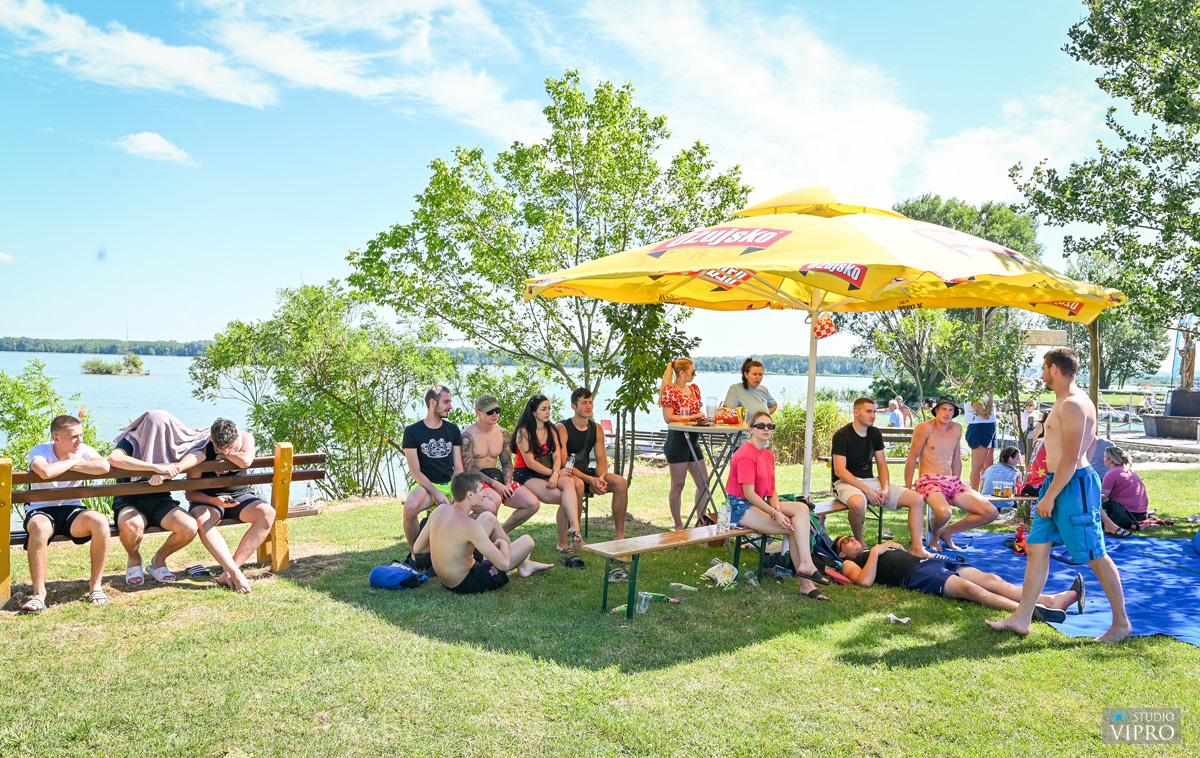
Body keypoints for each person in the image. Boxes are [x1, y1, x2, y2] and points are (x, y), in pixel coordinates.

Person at [987, 347, 1131, 643]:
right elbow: (1090, 445)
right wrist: (1050, 489)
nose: (1042, 374)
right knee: (1036, 547)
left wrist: (1050, 496)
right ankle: (1022, 618)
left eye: (1043, 368)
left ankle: (1121, 623)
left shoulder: (1073, 404)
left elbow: (1071, 457)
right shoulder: (1068, 401)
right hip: (1058, 482)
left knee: (1094, 554)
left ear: (1054, 368)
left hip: (1072, 485)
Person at [834, 536, 1083, 622]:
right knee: (970, 589)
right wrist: (877, 551)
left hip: (929, 563)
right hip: (915, 575)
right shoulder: (850, 563)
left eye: (851, 537)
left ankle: (1051, 600)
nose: (852, 539)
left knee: (992, 580)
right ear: (842, 553)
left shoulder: (877, 548)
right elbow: (864, 581)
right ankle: (1027, 612)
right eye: (845, 541)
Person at [726, 411, 829, 600]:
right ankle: (807, 583)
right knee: (793, 528)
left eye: (770, 426)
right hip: (740, 507)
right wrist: (775, 513)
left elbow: (771, 490)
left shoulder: (768, 455)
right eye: (761, 425)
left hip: (760, 503)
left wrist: (777, 509)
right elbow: (749, 493)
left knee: (802, 509)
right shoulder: (746, 454)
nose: (766, 429)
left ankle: (806, 565)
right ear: (751, 429)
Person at [22, 415, 112, 611]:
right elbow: (45, 472)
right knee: (39, 526)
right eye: (74, 437)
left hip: (72, 511)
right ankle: (39, 595)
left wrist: (72, 461)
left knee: (100, 520)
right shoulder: (40, 450)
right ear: (56, 438)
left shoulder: (82, 449)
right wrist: (76, 462)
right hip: (41, 511)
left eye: (81, 435)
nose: (79, 441)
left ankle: (95, 587)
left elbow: (104, 466)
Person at [108, 410, 206, 585]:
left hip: (161, 500)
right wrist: (155, 468)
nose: (157, 434)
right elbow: (115, 459)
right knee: (131, 525)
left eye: (163, 430)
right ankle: (134, 559)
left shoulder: (171, 442)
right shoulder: (130, 441)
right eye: (153, 428)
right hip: (129, 500)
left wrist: (174, 469)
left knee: (189, 527)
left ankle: (158, 560)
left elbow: (200, 453)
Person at [420, 471, 553, 594]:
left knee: (488, 517)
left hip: (449, 576)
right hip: (466, 582)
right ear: (470, 495)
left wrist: (448, 548)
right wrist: (502, 544)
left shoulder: (440, 510)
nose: (484, 494)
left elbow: (418, 548)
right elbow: (504, 564)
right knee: (527, 541)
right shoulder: (470, 525)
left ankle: (523, 564)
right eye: (481, 490)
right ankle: (521, 563)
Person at [830, 398, 930, 557]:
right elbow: (840, 470)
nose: (873, 415)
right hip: (845, 482)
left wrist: (885, 489)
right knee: (858, 503)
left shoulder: (875, 433)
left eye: (874, 412)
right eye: (868, 411)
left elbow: (882, 464)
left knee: (917, 499)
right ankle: (861, 544)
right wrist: (868, 492)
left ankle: (917, 548)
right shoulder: (842, 435)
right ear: (856, 412)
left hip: (870, 481)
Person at [184, 418, 274, 594]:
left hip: (239, 496)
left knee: (267, 513)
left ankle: (228, 572)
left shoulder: (246, 438)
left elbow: (246, 461)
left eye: (230, 447)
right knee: (203, 521)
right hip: (208, 499)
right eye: (220, 448)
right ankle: (235, 573)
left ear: (236, 436)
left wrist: (223, 456)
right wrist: (214, 501)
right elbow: (191, 493)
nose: (226, 451)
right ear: (212, 439)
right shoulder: (202, 449)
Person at [905, 398, 999, 551]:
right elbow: (911, 458)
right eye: (944, 409)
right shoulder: (924, 428)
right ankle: (935, 535)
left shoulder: (956, 428)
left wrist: (957, 482)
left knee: (991, 512)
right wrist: (908, 488)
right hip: (928, 481)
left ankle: (947, 532)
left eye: (951, 410)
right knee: (944, 513)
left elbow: (956, 460)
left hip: (951, 481)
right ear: (936, 410)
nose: (947, 413)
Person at [512, 394, 584, 552]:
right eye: (543, 409)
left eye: (549, 409)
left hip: (548, 471)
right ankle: (563, 542)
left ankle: (574, 527)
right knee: (565, 498)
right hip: (526, 474)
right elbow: (530, 463)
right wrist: (554, 472)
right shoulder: (524, 432)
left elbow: (557, 455)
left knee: (570, 483)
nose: (548, 412)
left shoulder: (550, 429)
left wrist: (556, 473)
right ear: (533, 412)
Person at [556, 388, 629, 540]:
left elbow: (602, 460)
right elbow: (563, 462)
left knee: (621, 483)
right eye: (584, 403)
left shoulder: (596, 429)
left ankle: (619, 536)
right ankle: (576, 537)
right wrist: (590, 480)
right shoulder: (562, 428)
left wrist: (600, 478)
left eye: (590, 402)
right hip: (568, 474)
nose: (588, 406)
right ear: (573, 406)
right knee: (578, 484)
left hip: (587, 474)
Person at [461, 394, 540, 534]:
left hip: (497, 476)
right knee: (494, 501)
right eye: (490, 411)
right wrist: (495, 484)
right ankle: (467, 533)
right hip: (476, 479)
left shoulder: (502, 433)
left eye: (497, 410)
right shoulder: (468, 435)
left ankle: (500, 533)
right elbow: (468, 470)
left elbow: (507, 462)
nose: (495, 414)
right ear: (478, 412)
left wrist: (507, 483)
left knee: (532, 504)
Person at [401, 385, 464, 551]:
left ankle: (468, 550)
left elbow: (458, 466)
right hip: (427, 487)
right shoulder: (412, 431)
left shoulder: (453, 429)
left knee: (487, 506)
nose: (450, 406)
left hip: (450, 485)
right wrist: (436, 493)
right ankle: (416, 554)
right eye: (446, 402)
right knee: (409, 508)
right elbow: (415, 472)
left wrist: (456, 489)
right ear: (432, 403)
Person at [661, 358, 710, 530]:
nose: (694, 375)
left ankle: (701, 522)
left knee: (704, 483)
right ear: (682, 373)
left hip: (693, 438)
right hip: (678, 439)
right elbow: (668, 417)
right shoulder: (670, 391)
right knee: (678, 484)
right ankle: (678, 525)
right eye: (692, 372)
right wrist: (691, 417)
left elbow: (696, 411)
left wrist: (700, 416)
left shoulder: (693, 389)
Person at [1100, 446, 1148, 537]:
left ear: (1110, 460)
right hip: (1141, 514)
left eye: (1104, 457)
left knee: (1095, 503)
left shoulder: (1111, 474)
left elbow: (1102, 497)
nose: (1103, 459)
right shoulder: (1129, 471)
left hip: (1126, 515)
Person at [964, 392, 997, 491]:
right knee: (977, 466)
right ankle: (974, 494)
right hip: (979, 428)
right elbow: (986, 415)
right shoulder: (974, 395)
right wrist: (991, 398)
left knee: (988, 467)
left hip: (990, 427)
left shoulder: (985, 393)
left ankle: (984, 493)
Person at [981, 445, 1022, 510]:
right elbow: (1019, 492)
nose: (1018, 462)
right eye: (1017, 459)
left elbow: (981, 488)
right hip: (1006, 505)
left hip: (985, 504)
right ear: (1010, 459)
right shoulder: (1017, 473)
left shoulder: (990, 468)